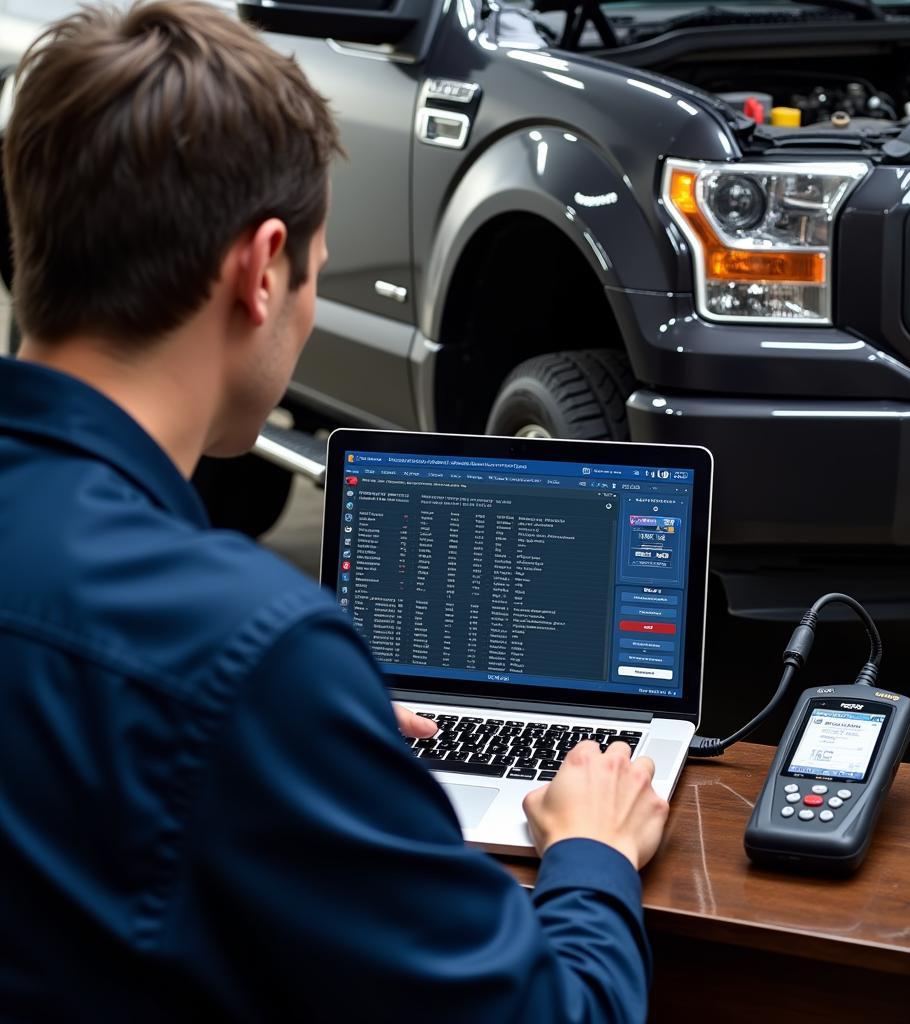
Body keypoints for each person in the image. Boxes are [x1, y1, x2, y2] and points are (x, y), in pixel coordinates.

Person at [0, 3, 670, 1020]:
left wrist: (325, 742)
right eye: (315, 272)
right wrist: (592, 853)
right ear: (261, 270)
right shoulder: (251, 654)